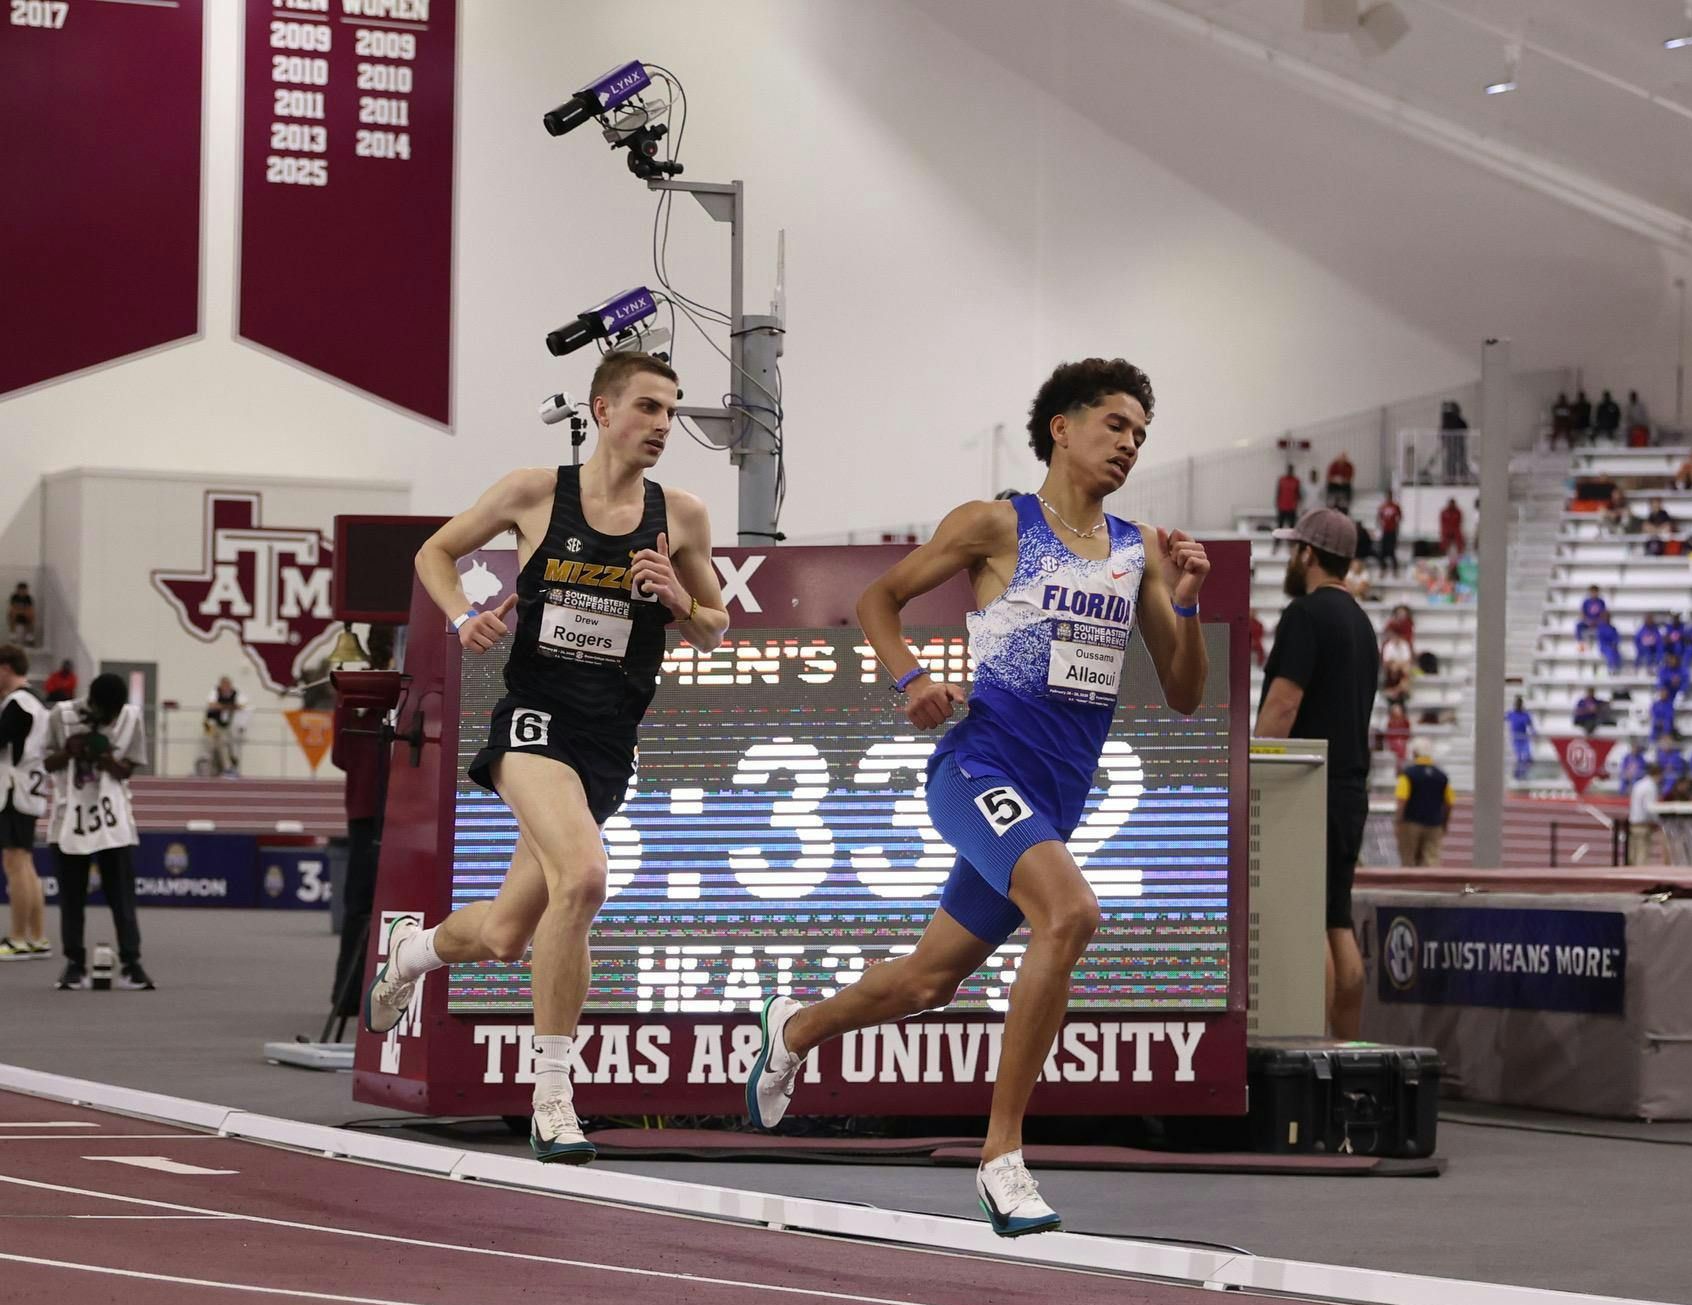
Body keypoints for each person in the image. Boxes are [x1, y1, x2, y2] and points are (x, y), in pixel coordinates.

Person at [744, 359, 1210, 1235]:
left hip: (1052, 799)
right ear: (1062, 428)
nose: (1130, 445)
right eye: (1115, 424)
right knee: (1069, 914)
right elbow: (878, 599)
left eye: (1141, 435)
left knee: (928, 981)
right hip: (977, 769)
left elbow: (1185, 692)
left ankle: (793, 1030)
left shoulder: (1140, 550)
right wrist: (911, 679)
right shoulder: (999, 524)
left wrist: (1183, 605)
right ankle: (1002, 1158)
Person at [363, 348, 729, 1168]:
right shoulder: (534, 491)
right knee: (587, 879)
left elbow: (716, 625)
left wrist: (679, 599)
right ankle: (554, 1096)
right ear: (602, 412)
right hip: (532, 720)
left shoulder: (684, 516)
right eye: (648, 408)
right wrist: (464, 618)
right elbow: (435, 552)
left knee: (502, 934)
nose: (663, 426)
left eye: (672, 412)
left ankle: (410, 955)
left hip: (607, 739)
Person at [1252, 508, 1375, 1041]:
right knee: (1336, 918)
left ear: (1307, 553)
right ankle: (1348, 1048)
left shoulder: (1305, 616)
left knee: (1308, 926)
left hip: (1306, 791)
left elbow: (1283, 704)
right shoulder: (1362, 622)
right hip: (1350, 788)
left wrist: (1253, 773)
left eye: (1293, 549)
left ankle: (1312, 1051)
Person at [44, 671, 150, 990]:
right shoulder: (61, 715)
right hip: (69, 816)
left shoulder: (130, 718)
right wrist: (70, 751)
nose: (112, 717)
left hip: (113, 819)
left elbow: (126, 770)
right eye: (108, 711)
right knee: (72, 895)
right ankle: (74, 962)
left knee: (121, 893)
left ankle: (132, 962)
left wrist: (104, 758)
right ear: (93, 703)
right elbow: (46, 763)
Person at [0, 645, 51, 960]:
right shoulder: (36, 703)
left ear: (5, 668)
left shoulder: (18, 704)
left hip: (14, 790)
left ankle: (18, 937)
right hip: (29, 790)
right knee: (25, 863)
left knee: (15, 863)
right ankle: (37, 936)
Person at [1394, 738, 1450, 867]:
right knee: (1431, 861)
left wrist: (1398, 822)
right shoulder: (1441, 776)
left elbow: (1402, 800)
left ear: (1414, 753)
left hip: (1411, 823)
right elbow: (1449, 803)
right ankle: (1430, 887)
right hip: (1434, 824)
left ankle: (1409, 886)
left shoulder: (1407, 775)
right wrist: (1444, 823)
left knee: (1408, 860)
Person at [203, 676, 246, 778]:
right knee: (210, 745)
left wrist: (224, 706)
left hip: (225, 725)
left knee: (224, 745)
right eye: (224, 685)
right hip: (210, 723)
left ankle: (227, 768)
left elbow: (241, 706)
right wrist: (229, 706)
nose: (225, 687)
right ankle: (209, 769)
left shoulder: (235, 693)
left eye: (227, 685)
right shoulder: (215, 692)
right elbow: (212, 704)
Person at [1627, 762, 1663, 865]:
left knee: (1632, 853)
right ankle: (1639, 876)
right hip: (1643, 824)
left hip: (1633, 822)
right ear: (1657, 774)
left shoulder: (1638, 784)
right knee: (1642, 853)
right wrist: (1656, 821)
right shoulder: (1651, 787)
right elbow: (1649, 807)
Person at [1505, 694, 1536, 780]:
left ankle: (1523, 773)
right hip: (1516, 738)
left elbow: (1531, 726)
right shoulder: (1511, 714)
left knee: (1528, 757)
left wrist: (1534, 733)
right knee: (1519, 758)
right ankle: (1517, 775)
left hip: (1524, 738)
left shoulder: (1526, 715)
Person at [1439, 399, 1470, 481]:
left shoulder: (1455, 420)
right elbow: (1443, 431)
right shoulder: (1447, 419)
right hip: (1452, 445)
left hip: (1457, 444)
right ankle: (1452, 479)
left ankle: (1462, 478)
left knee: (1459, 462)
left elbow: (1464, 428)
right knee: (1452, 462)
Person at [1376, 493, 1402, 573]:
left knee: (1392, 550)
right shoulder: (1383, 506)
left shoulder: (1395, 506)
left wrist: (1396, 525)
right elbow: (1379, 516)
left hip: (1392, 531)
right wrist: (1381, 525)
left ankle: (1395, 568)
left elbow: (1400, 516)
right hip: (1385, 530)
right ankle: (1383, 567)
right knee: (1383, 550)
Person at [1274, 460, 1302, 532]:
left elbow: (1298, 493)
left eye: (1291, 469)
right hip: (1282, 506)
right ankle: (1277, 541)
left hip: (1292, 507)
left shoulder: (1296, 481)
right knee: (1280, 525)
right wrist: (1277, 503)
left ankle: (1291, 542)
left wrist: (1298, 503)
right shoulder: (1282, 480)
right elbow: (1278, 492)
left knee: (1292, 526)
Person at [1382, 699, 1412, 764]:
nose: (1397, 712)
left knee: (1401, 745)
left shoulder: (1405, 721)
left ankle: (1401, 763)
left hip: (1403, 741)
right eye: (1395, 710)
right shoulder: (1390, 722)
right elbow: (1388, 734)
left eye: (1398, 710)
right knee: (1397, 745)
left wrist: (1401, 739)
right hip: (1393, 741)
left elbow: (1408, 733)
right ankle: (1398, 763)